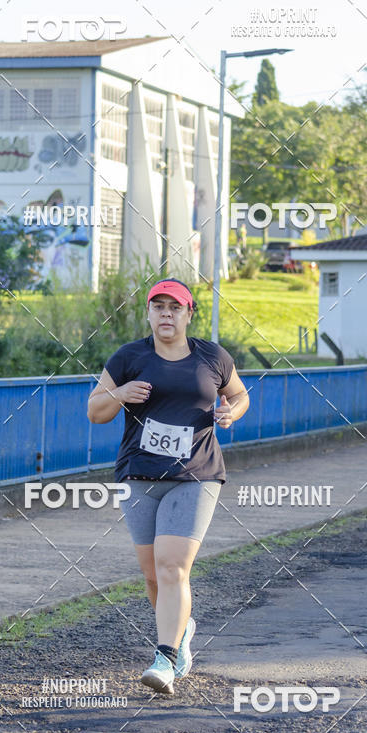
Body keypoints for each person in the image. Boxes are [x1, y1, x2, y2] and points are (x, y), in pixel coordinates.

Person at [87, 278, 250, 694]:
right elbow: (95, 411)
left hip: (197, 473)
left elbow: (239, 396)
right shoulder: (129, 357)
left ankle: (165, 658)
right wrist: (121, 393)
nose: (166, 314)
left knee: (173, 566)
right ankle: (182, 627)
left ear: (188, 314)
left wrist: (231, 413)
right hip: (139, 474)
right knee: (153, 575)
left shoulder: (212, 357)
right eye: (158, 307)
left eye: (174, 308)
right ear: (148, 313)